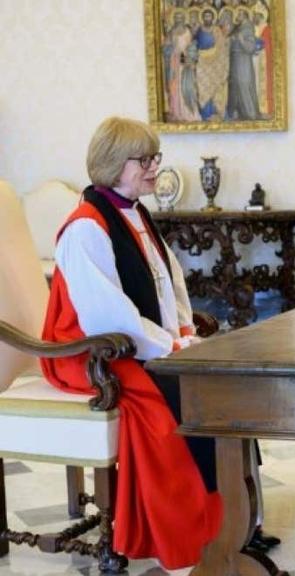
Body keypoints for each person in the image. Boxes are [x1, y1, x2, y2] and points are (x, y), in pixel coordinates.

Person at [40, 117, 222, 570]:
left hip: (134, 342)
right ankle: (189, 532)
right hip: (89, 351)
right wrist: (168, 348)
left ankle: (234, 523)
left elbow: (169, 283)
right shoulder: (86, 227)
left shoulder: (134, 212)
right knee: (169, 406)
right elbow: (107, 315)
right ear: (113, 164)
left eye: (154, 157)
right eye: (144, 160)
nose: (154, 167)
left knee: (220, 386)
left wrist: (183, 332)